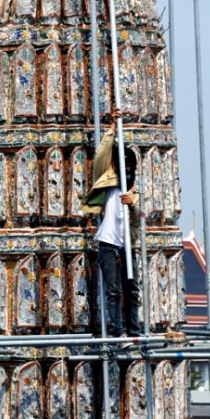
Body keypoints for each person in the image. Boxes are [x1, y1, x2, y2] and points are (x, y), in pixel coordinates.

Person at [82, 109, 141, 338]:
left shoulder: (135, 190)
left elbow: (136, 222)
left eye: (128, 166)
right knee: (114, 290)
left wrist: (132, 204)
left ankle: (134, 330)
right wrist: (113, 128)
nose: (125, 170)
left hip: (127, 244)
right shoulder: (106, 181)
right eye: (121, 165)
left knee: (132, 289)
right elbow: (101, 156)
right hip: (108, 242)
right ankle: (119, 331)